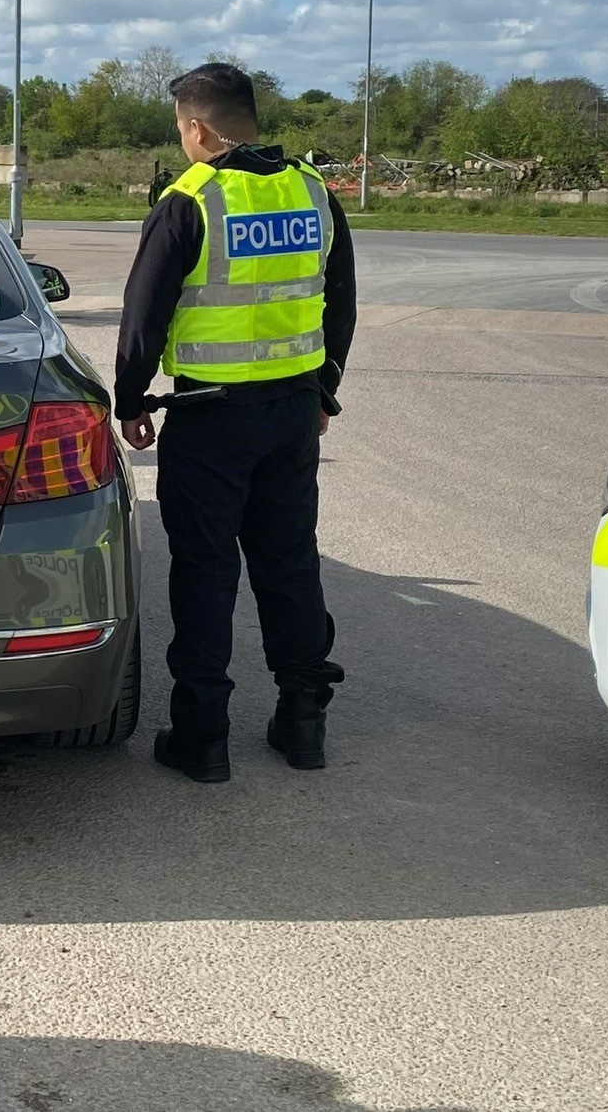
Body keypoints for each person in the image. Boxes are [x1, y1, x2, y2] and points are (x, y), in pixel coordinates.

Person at [113, 62, 356, 783]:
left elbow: (143, 317)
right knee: (289, 563)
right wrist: (324, 392)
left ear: (197, 128)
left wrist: (128, 402)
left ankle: (202, 734)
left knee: (206, 571)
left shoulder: (189, 200)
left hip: (210, 416)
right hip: (289, 414)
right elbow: (337, 303)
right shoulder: (314, 192)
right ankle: (303, 718)